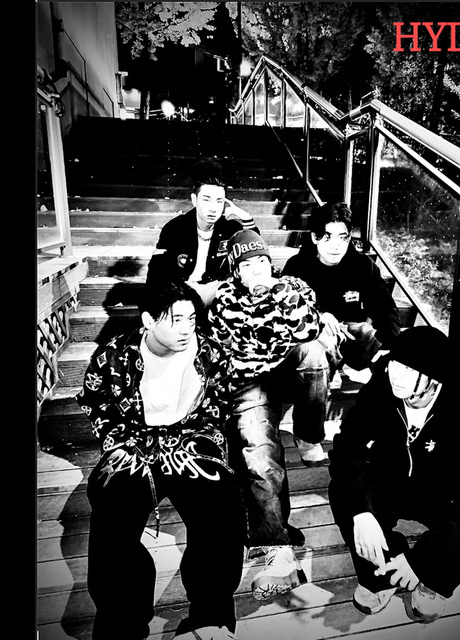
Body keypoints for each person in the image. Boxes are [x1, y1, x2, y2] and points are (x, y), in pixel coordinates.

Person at [76, 277, 245, 640]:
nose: (186, 329)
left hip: (189, 444)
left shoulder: (211, 353)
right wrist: (118, 445)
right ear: (149, 320)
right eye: (176, 320)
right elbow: (96, 402)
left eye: (192, 319)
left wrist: (199, 445)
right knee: (112, 515)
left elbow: (218, 406)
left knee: (222, 505)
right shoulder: (114, 355)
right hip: (135, 446)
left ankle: (211, 615)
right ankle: (123, 622)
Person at [328, 326, 460, 624]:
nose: (396, 374)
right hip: (390, 481)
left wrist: (422, 561)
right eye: (395, 364)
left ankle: (435, 579)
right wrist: (361, 512)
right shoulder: (379, 391)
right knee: (344, 494)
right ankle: (380, 573)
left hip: (438, 490)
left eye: (409, 369)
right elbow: (346, 450)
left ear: (434, 379)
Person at [208, 229, 330, 601]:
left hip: (288, 370)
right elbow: (228, 353)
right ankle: (278, 549)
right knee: (258, 453)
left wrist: (278, 293)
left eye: (262, 261)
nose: (257, 269)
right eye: (247, 265)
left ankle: (308, 433)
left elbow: (309, 328)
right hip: (250, 382)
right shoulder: (225, 300)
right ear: (236, 272)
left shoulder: (292, 286)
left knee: (314, 353)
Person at [282, 201, 400, 377]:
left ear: (349, 237)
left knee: (372, 335)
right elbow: (284, 314)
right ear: (314, 237)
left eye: (342, 237)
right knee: (315, 344)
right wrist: (319, 318)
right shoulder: (297, 266)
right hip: (314, 337)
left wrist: (390, 345)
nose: (335, 245)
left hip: (351, 339)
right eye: (327, 237)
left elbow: (385, 308)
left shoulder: (363, 266)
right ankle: (328, 370)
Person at [146, 159, 258, 308]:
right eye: (206, 200)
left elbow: (255, 252)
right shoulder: (175, 228)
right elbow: (156, 273)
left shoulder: (230, 228)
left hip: (216, 290)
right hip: (183, 292)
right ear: (194, 200)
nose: (213, 208)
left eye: (219, 201)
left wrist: (246, 218)